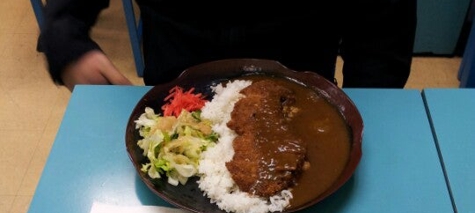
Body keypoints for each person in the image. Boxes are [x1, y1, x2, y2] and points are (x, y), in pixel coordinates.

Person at [37, 0, 417, 91]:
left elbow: (384, 23)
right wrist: (65, 39)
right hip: (177, 82)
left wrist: (368, 103)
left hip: (298, 81)